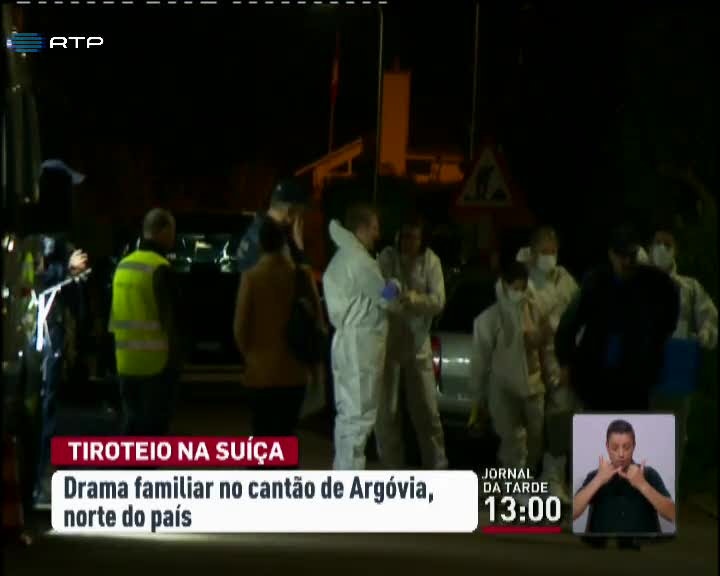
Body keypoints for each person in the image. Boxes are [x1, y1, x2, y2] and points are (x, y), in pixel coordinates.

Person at [555, 226, 680, 411]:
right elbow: (569, 324)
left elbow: (670, 314)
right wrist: (565, 363)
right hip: (596, 376)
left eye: (631, 255)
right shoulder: (595, 282)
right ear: (611, 254)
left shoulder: (654, 282)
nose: (627, 261)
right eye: (622, 256)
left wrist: (655, 343)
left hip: (636, 378)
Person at [323, 204, 401, 470]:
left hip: (345, 344)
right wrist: (395, 285)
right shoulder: (360, 261)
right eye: (375, 228)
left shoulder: (341, 258)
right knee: (358, 420)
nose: (378, 234)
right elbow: (385, 298)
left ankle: (342, 476)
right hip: (361, 347)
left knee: (347, 419)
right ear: (362, 228)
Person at [32, 160, 90, 509]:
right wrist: (66, 270)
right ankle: (38, 480)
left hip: (52, 332)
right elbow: (36, 279)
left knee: (49, 405)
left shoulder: (58, 235)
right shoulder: (39, 236)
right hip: (39, 332)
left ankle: (41, 476)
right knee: (43, 406)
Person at [233, 218, 324, 436]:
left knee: (262, 432)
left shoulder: (251, 278)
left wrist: (252, 356)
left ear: (261, 245)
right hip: (295, 371)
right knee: (286, 431)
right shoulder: (302, 276)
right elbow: (318, 322)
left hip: (260, 372)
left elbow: (240, 328)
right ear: (284, 243)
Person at [469, 260, 554, 488]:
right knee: (512, 441)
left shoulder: (534, 310)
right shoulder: (491, 319)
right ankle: (514, 487)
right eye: (515, 287)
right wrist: (478, 398)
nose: (519, 292)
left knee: (536, 440)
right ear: (505, 285)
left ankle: (524, 481)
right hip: (503, 388)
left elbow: (545, 348)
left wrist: (551, 376)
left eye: (522, 287)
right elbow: (480, 362)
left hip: (533, 386)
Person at [375, 216, 448, 470]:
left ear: (421, 239)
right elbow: (380, 293)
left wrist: (415, 299)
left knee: (427, 411)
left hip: (418, 344)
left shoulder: (431, 261)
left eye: (413, 237)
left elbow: (438, 301)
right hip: (390, 345)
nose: (407, 242)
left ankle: (437, 467)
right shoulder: (387, 258)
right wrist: (394, 295)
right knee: (387, 413)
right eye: (403, 236)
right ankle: (391, 469)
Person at [516, 227, 579, 505]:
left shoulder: (565, 280)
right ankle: (521, 483)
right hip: (529, 359)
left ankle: (553, 478)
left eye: (553, 251)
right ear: (533, 252)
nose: (549, 257)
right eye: (544, 251)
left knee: (560, 418)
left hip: (560, 357)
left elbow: (577, 314)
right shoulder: (523, 281)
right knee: (530, 425)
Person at [647, 228, 717, 468]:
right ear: (649, 248)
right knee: (640, 434)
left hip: (676, 371)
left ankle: (669, 487)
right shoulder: (637, 284)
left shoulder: (689, 288)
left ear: (675, 251)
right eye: (658, 243)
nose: (662, 249)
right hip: (643, 372)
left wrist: (705, 335)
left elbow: (710, 319)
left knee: (674, 437)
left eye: (667, 245)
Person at [109, 209, 180, 436]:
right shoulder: (160, 267)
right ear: (163, 231)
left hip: (125, 363)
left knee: (132, 427)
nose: (174, 237)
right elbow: (171, 321)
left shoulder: (123, 266)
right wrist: (176, 362)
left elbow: (114, 318)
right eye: (172, 231)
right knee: (153, 432)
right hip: (155, 366)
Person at [573, 419, 676, 536]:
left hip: (644, 546)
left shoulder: (649, 474)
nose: (621, 454)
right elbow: (572, 513)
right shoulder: (595, 476)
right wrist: (598, 480)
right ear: (607, 447)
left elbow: (672, 514)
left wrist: (642, 485)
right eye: (615, 447)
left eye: (626, 447)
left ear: (634, 446)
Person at [236, 179, 309, 272]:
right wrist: (299, 244)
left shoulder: (258, 226)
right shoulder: (272, 240)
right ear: (290, 212)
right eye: (300, 214)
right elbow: (301, 278)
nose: (301, 219)